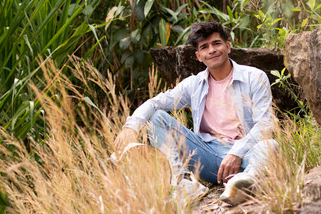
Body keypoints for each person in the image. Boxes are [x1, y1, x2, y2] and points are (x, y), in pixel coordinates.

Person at [114, 21, 277, 204]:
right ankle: (183, 183)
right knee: (157, 117)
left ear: (228, 47)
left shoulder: (254, 77)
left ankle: (244, 183)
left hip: (244, 155)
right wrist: (131, 127)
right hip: (206, 156)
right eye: (204, 47)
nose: (212, 50)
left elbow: (265, 124)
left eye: (217, 43)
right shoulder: (194, 84)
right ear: (199, 56)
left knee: (270, 145)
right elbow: (155, 102)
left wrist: (236, 153)